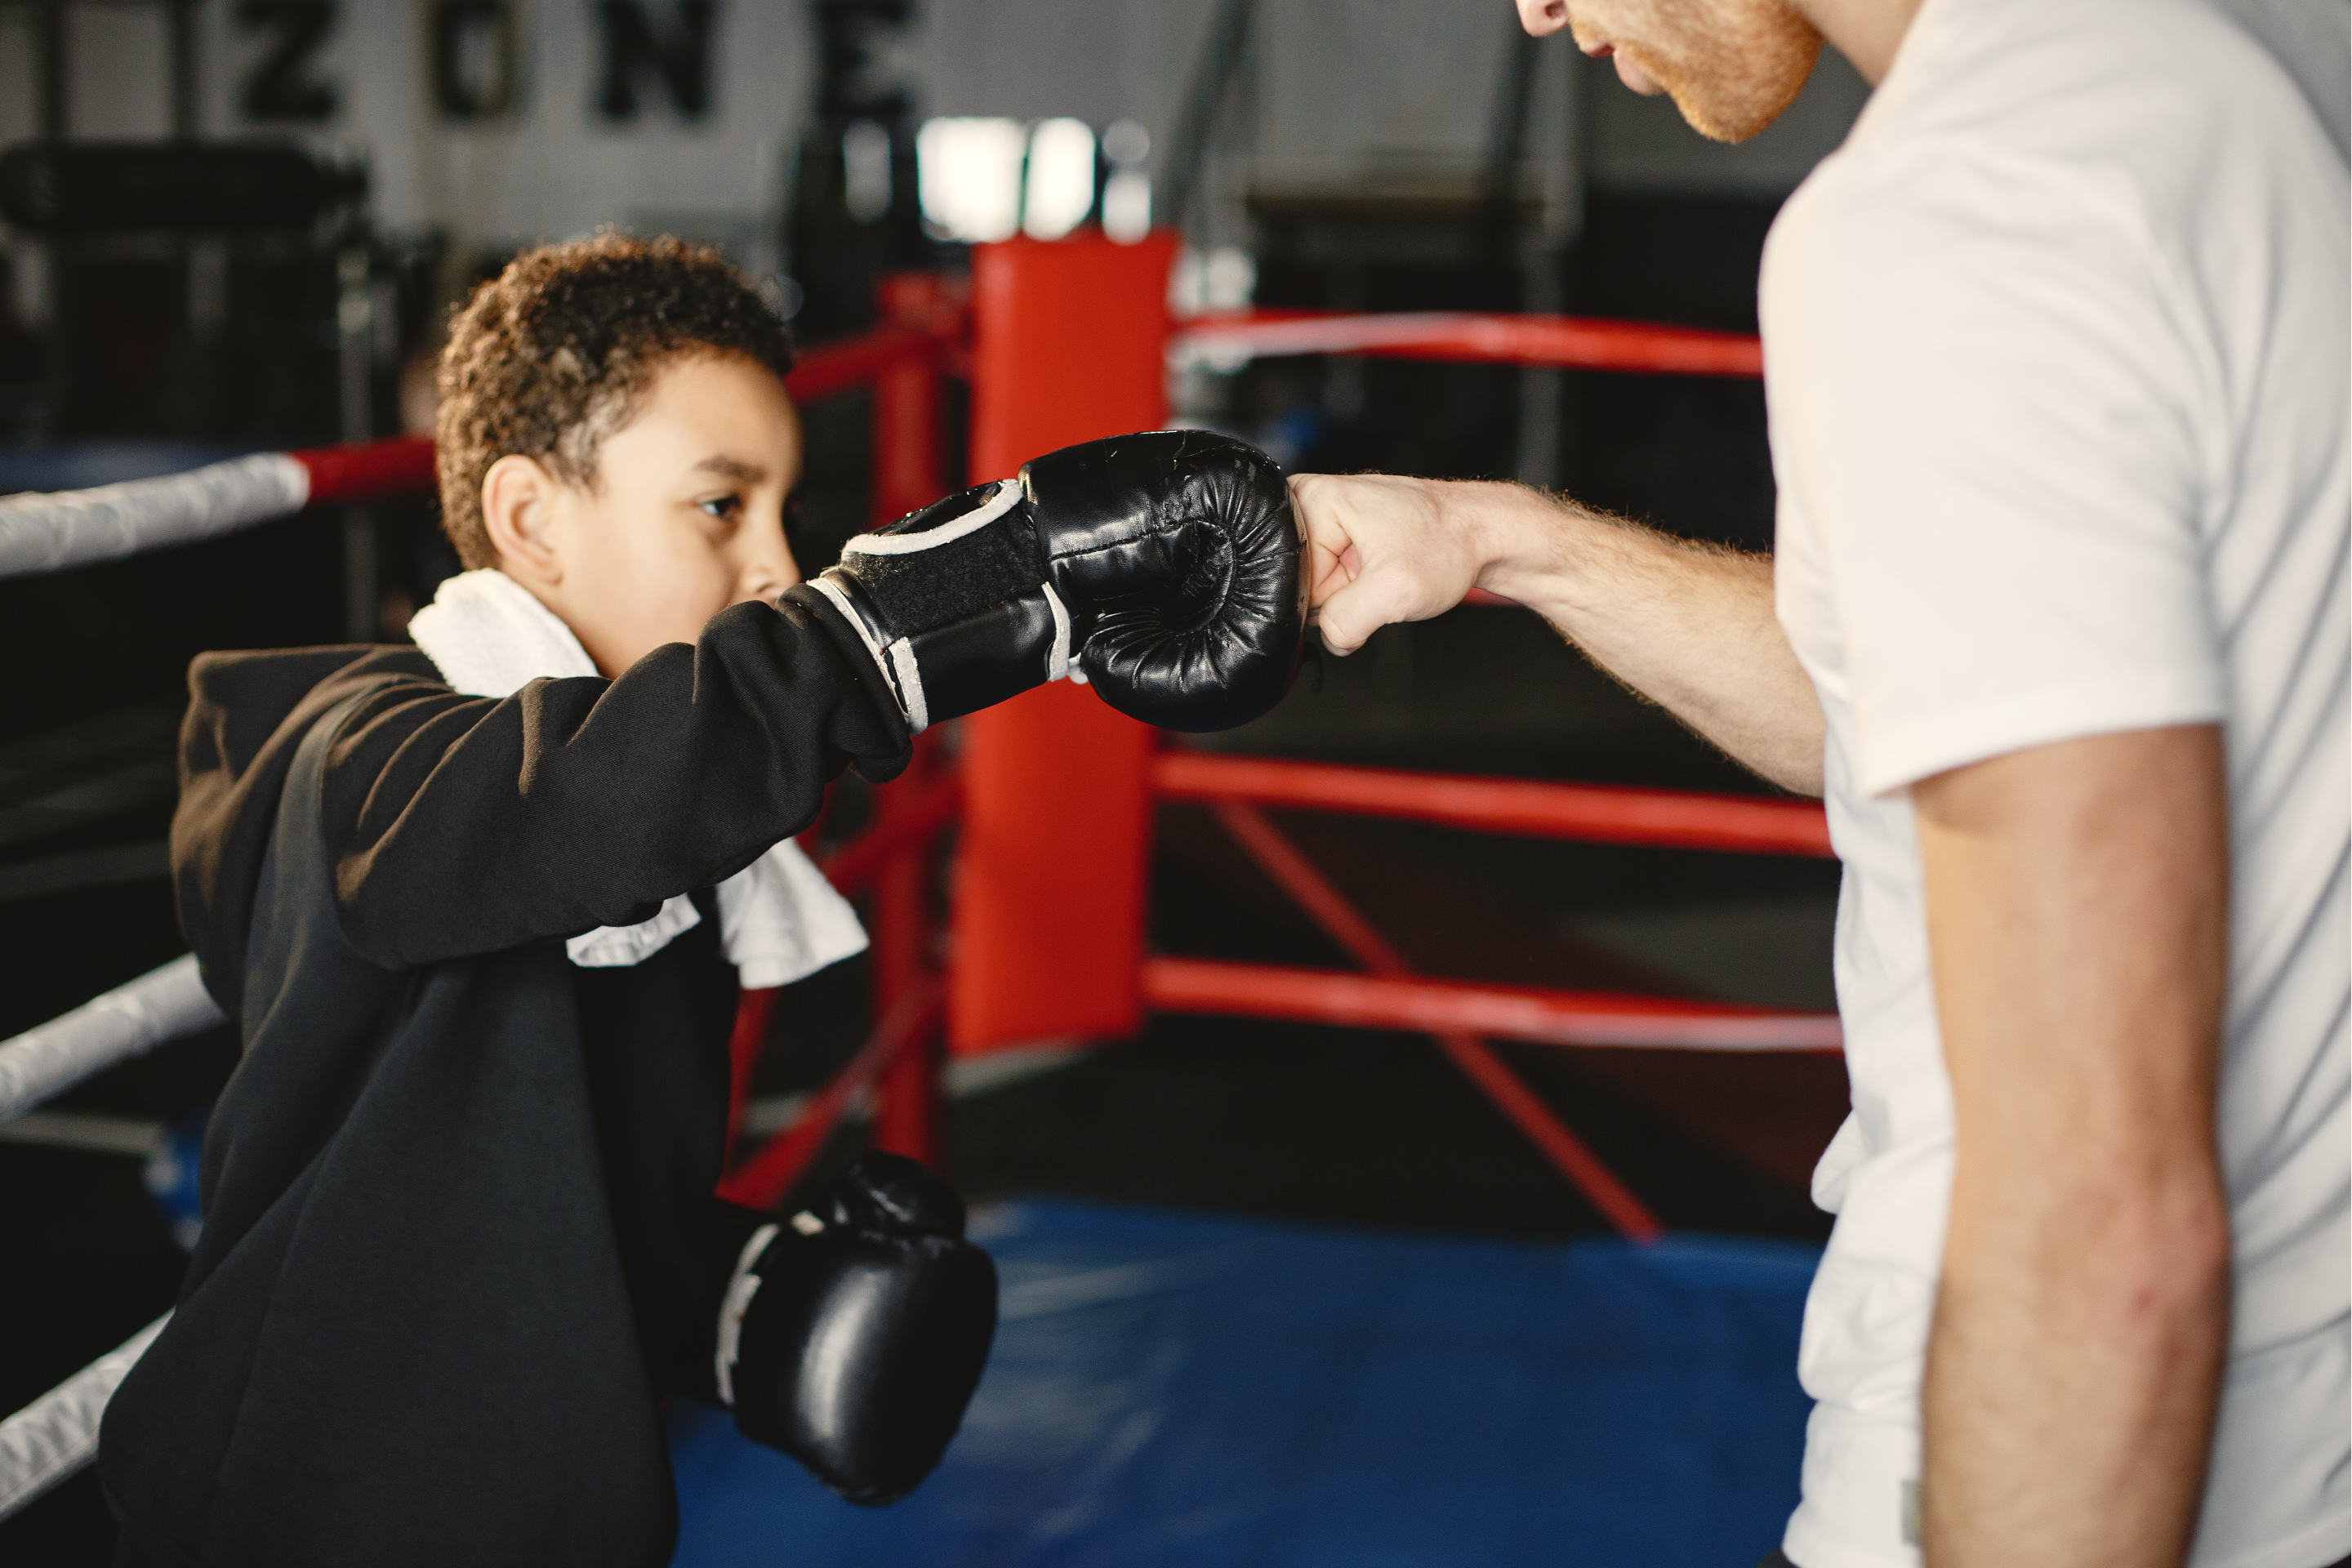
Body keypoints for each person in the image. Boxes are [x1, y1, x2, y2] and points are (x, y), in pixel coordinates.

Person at [1288, 2, 2348, 1566]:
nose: (1533, 5)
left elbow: (2096, 1217)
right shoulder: (2216, 84)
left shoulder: (1961, 210)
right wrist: (1507, 542)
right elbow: (1924, 698)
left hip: (2073, 1463)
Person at [98, 233, 1302, 1566]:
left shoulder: (656, 843)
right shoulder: (371, 765)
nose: (779, 564)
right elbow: (564, 805)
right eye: (721, 506)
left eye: (786, 510)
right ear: (531, 521)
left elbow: (488, 1188)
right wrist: (957, 598)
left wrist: (730, 1300)